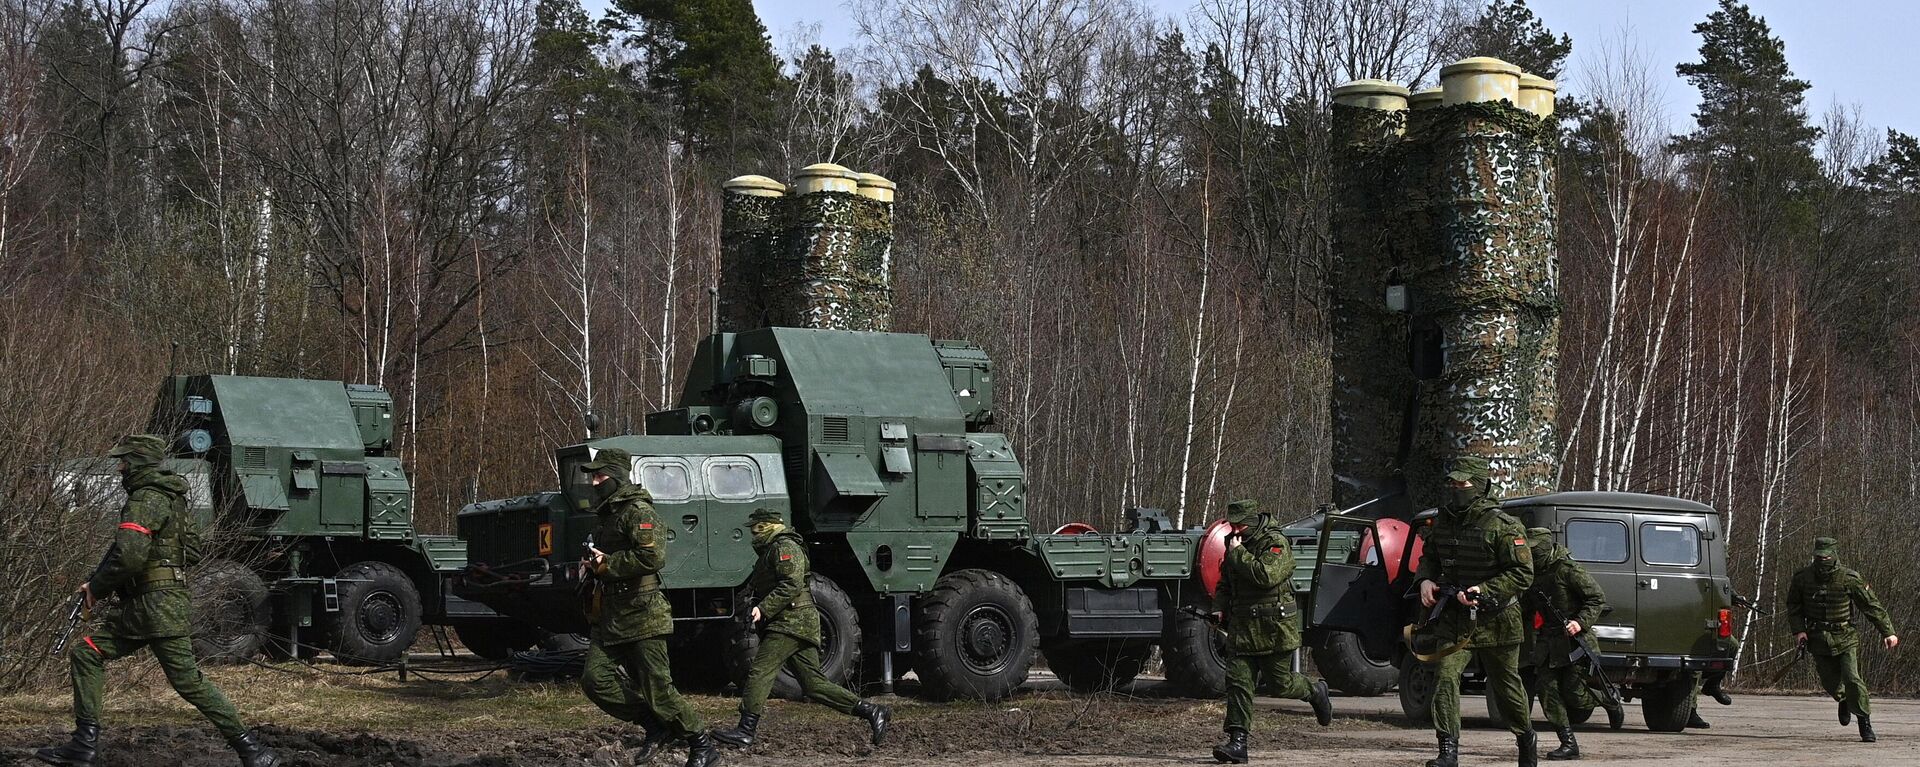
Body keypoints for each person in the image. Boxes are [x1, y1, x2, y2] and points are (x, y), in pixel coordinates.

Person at [36, 434, 280, 767]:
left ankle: (84, 746)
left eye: (123, 461)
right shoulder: (174, 498)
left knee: (89, 654)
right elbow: (192, 550)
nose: (119, 468)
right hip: (168, 602)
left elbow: (130, 555)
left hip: (150, 607)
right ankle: (252, 751)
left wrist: (97, 587)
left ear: (136, 463)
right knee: (185, 681)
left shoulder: (144, 498)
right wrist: (161, 568)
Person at [575, 448, 718, 767]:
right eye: (593, 476)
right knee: (595, 680)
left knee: (659, 689)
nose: (595, 481)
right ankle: (653, 724)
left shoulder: (638, 511)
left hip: (642, 616)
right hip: (610, 616)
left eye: (601, 475)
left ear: (617, 477)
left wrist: (607, 564)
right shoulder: (608, 514)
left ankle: (702, 744)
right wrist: (591, 563)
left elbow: (653, 557)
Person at [713, 508, 889, 749]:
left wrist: (764, 608)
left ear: (769, 527)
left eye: (757, 529)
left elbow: (792, 584)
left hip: (792, 622)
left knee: (760, 671)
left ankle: (746, 730)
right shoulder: (770, 552)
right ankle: (872, 711)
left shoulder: (784, 547)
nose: (753, 534)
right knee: (813, 685)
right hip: (792, 622)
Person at [1413, 456, 1536, 767]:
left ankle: (1526, 738)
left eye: (1463, 484)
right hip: (1455, 618)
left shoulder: (1503, 526)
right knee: (1445, 678)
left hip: (1498, 621)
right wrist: (1425, 580)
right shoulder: (1442, 522)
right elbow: (1430, 557)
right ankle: (1448, 751)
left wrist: (1484, 590)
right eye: (1453, 483)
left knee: (1507, 688)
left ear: (1480, 486)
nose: (1456, 489)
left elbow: (1522, 573)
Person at [1209, 499, 1333, 764]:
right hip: (1243, 630)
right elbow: (1225, 583)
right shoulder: (1234, 545)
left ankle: (1315, 692)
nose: (1236, 530)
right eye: (1232, 526)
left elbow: (1266, 576)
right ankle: (1237, 743)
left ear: (1252, 523)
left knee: (1281, 685)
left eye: (1240, 525)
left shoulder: (1275, 543)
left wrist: (1238, 553)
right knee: (1238, 684)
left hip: (1273, 629)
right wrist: (1219, 608)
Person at [1784, 536, 1899, 743]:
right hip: (1817, 638)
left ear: (1834, 555)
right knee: (1829, 681)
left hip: (1845, 637)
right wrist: (1799, 631)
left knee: (1852, 678)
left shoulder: (1849, 578)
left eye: (1827, 556)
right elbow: (1794, 606)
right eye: (1819, 557)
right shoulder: (1802, 578)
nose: (1823, 560)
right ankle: (1843, 699)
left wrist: (1888, 632)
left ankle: (1864, 722)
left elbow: (1871, 606)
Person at [1521, 527, 1622, 760]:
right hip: (1549, 642)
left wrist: (1579, 622)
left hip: (1575, 640)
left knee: (1575, 695)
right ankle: (1568, 743)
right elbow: (1526, 606)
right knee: (1547, 692)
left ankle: (1609, 701)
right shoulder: (1532, 575)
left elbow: (1596, 597)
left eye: (1533, 550)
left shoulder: (1568, 570)